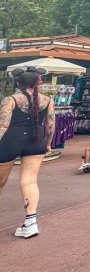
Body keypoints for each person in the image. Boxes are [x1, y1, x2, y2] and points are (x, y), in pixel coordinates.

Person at [0, 67, 55, 238]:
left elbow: (3, 125)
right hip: (36, 141)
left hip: (11, 141)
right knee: (30, 181)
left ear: (18, 82)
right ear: (38, 83)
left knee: (0, 181)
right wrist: (48, 143)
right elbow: (50, 125)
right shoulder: (48, 100)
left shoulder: (10, 100)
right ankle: (31, 224)